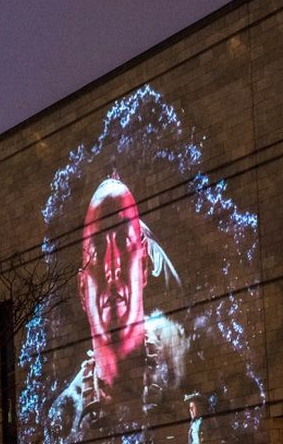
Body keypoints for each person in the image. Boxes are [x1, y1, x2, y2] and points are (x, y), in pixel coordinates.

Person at [48, 178, 189, 443]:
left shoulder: (183, 360)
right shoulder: (66, 413)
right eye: (98, 250)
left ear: (144, 265)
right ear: (81, 287)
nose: (112, 269)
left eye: (123, 243)